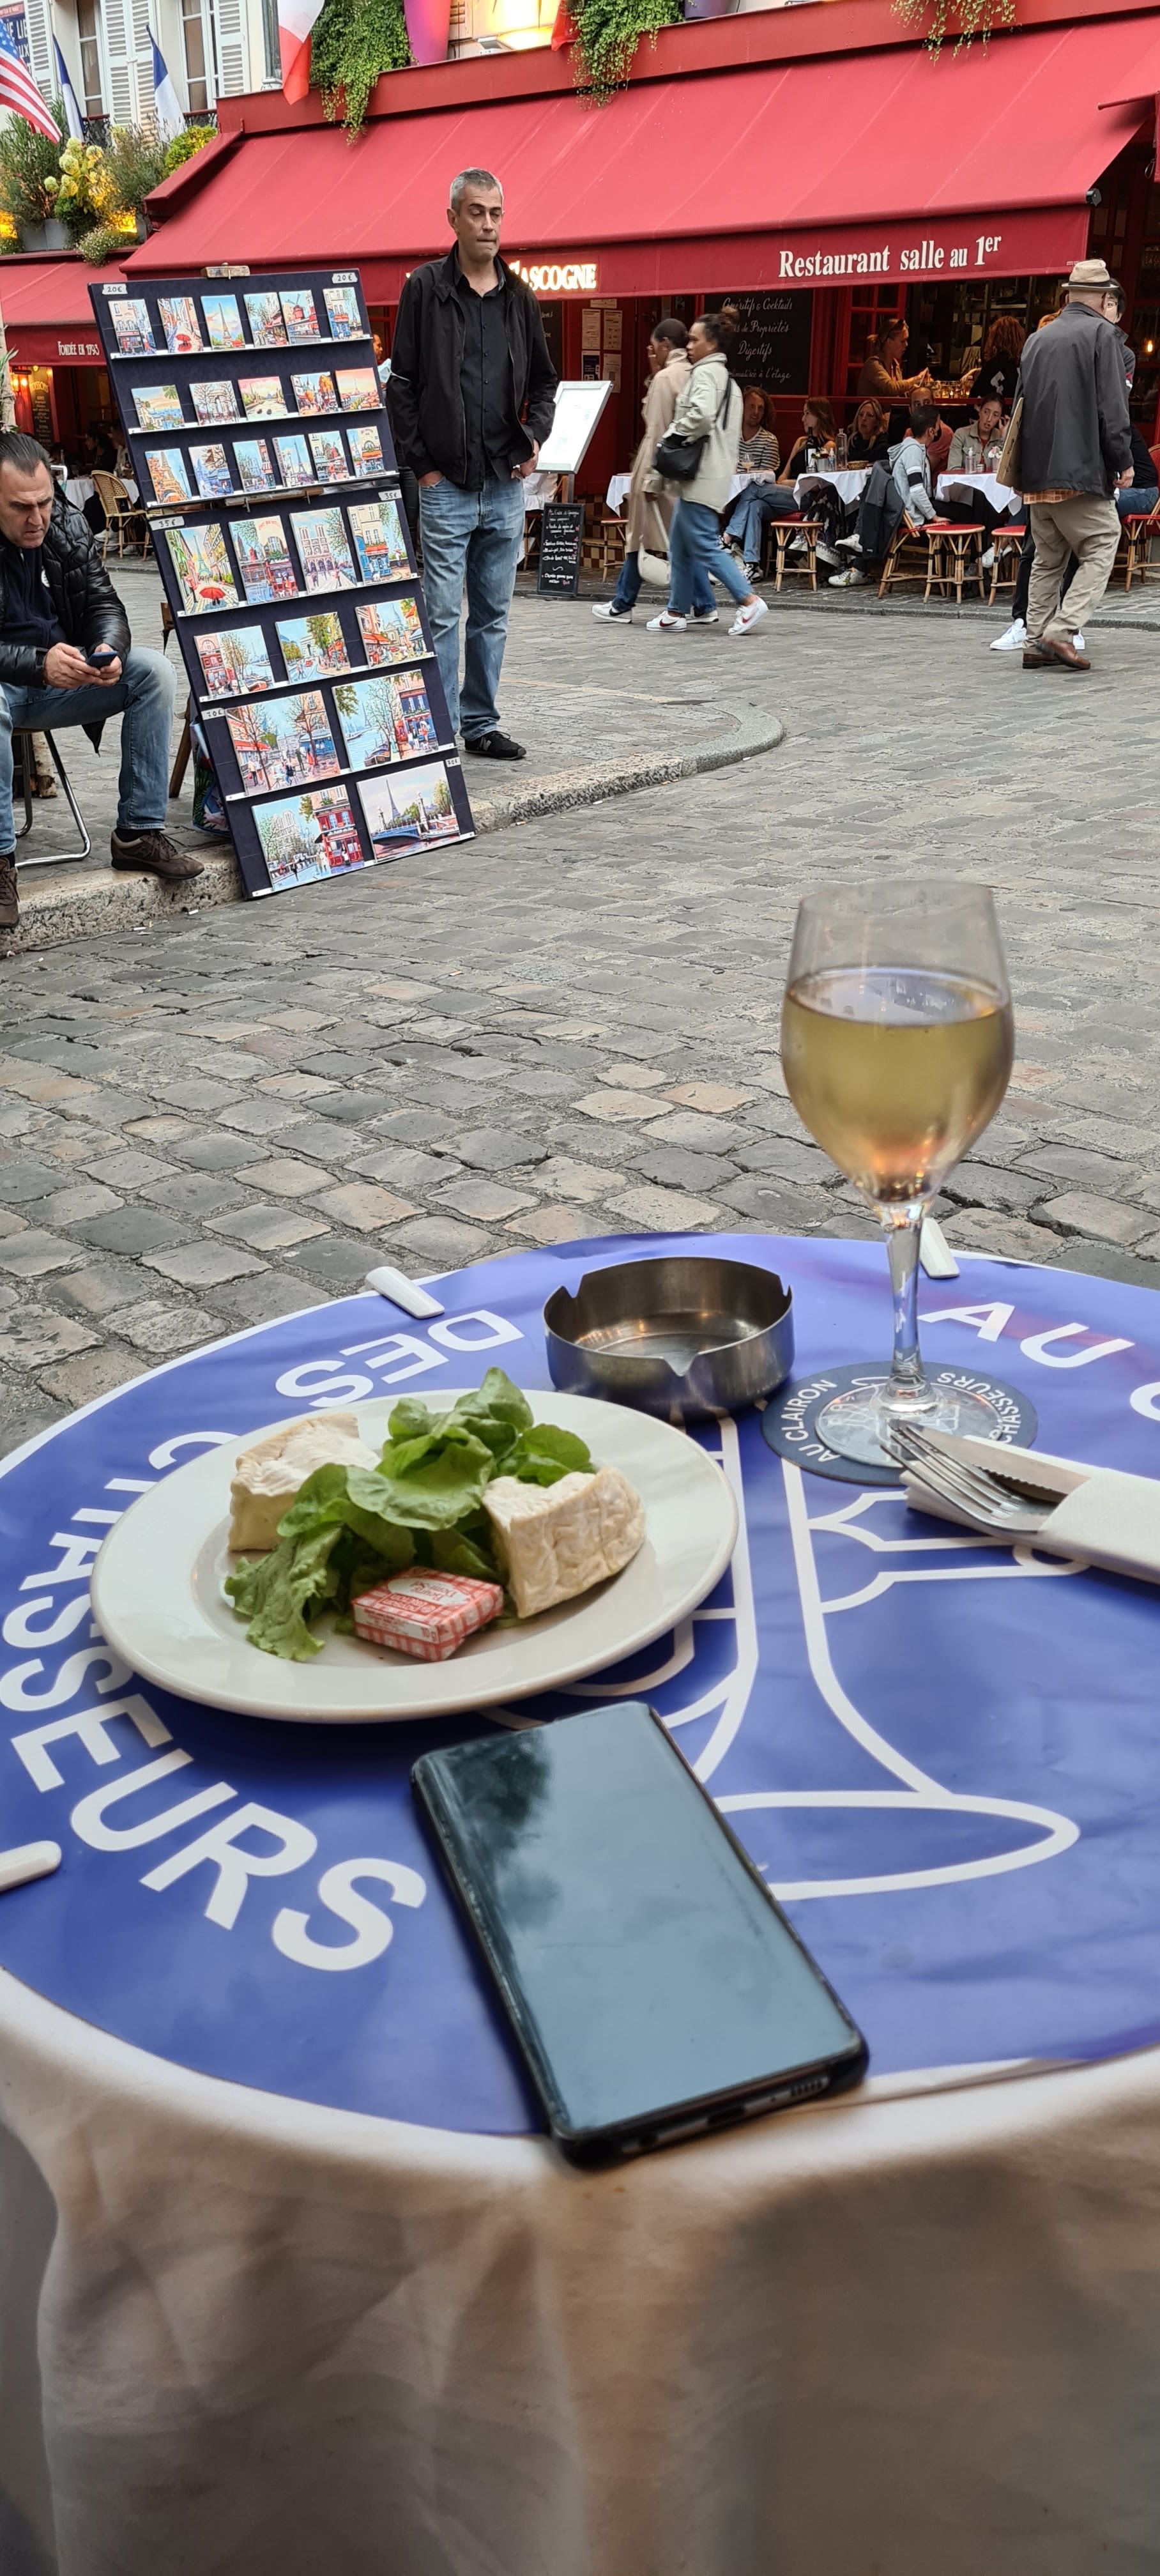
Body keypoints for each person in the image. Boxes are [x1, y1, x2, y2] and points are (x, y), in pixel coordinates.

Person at [387, 166, 558, 761]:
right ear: (454, 219)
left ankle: (480, 723)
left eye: (496, 213)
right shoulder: (425, 289)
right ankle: (438, 730)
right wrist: (423, 468)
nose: (488, 224)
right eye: (477, 212)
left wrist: (534, 437)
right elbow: (402, 385)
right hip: (446, 484)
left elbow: (545, 382)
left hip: (505, 482)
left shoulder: (519, 298)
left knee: (493, 614)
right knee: (440, 612)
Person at [0, 428, 194, 931]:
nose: (37, 518)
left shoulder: (64, 525)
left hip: (60, 680)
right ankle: (0, 863)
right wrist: (37, 664)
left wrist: (108, 647)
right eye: (21, 507)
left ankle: (137, 833)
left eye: (44, 502)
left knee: (153, 671)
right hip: (9, 685)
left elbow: (104, 603)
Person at [1017, 256, 1133, 671]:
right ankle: (1061, 631)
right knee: (1103, 542)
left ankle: (1034, 640)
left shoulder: (1037, 339)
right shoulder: (1103, 335)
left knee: (1048, 559)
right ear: (1103, 299)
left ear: (1069, 297)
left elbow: (1020, 408)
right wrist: (1123, 461)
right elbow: (1112, 408)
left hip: (1036, 470)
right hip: (1079, 468)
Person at [646, 312, 768, 636]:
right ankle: (676, 611)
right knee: (681, 543)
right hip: (712, 472)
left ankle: (748, 600)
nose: (689, 345)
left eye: (694, 339)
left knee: (702, 542)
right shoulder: (727, 379)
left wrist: (671, 436)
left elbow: (699, 416)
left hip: (700, 473)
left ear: (711, 344)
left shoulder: (705, 374)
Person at [594, 316, 714, 624]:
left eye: (654, 346)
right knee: (678, 540)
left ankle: (624, 603)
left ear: (665, 344)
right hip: (686, 467)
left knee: (641, 538)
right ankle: (703, 603)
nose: (652, 353)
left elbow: (658, 430)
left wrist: (650, 477)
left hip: (660, 466)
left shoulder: (666, 378)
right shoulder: (695, 374)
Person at [828, 401, 941, 586]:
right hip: (913, 512)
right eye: (938, 425)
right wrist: (934, 516)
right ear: (931, 431)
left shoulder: (910, 448)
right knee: (964, 511)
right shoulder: (913, 451)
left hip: (903, 508)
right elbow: (916, 491)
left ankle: (860, 548)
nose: (938, 430)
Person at [722, 396, 835, 578]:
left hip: (806, 499)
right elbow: (783, 476)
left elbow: (816, 484)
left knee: (752, 488)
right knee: (754, 505)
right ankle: (752, 565)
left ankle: (728, 536)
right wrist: (791, 482)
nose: (803, 419)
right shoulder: (800, 442)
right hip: (786, 495)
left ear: (820, 416)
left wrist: (791, 483)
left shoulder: (829, 445)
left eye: (807, 414)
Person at [374, 326, 420, 558]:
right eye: (376, 344)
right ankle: (392, 557)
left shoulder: (412, 385)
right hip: (386, 457)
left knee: (410, 517)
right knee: (387, 514)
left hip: (409, 458)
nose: (380, 348)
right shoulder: (376, 382)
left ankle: (410, 559)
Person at [857, 319, 930, 403]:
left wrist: (921, 384)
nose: (906, 344)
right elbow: (891, 388)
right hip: (874, 411)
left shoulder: (895, 365)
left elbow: (900, 394)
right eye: (902, 341)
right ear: (889, 342)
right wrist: (915, 380)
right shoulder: (873, 364)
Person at [969, 314, 1025, 412]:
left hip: (991, 417)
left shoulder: (992, 366)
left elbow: (974, 399)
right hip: (1013, 418)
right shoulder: (1023, 367)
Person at [738, 386, 779, 474]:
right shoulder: (730, 435)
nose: (756, 412)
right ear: (742, 407)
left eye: (760, 408)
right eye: (752, 406)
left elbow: (765, 478)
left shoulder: (769, 441)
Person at [848, 398, 890, 465]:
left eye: (870, 415)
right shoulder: (851, 441)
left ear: (877, 422)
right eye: (861, 415)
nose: (864, 419)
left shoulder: (882, 446)